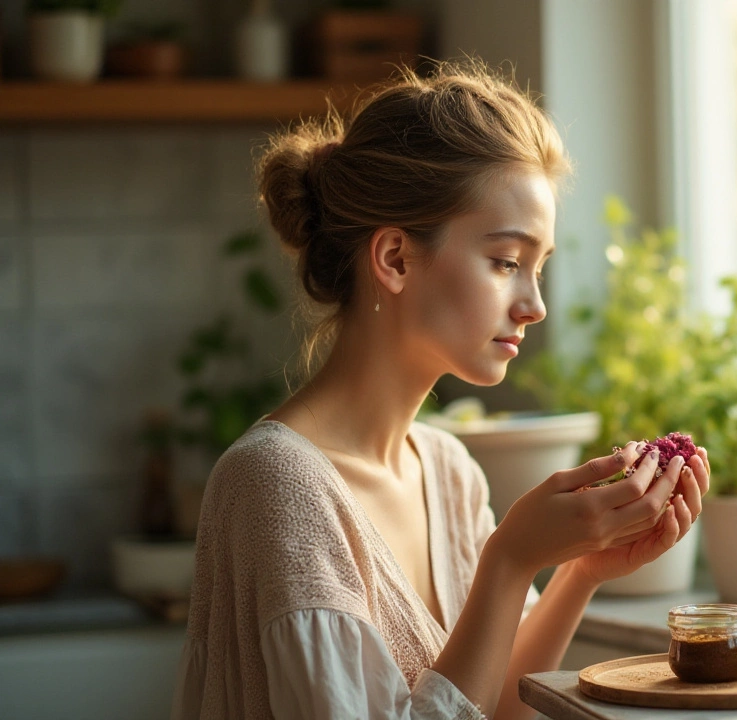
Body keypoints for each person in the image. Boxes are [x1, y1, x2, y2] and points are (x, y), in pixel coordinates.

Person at [172, 61, 710, 720]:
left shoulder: (450, 471)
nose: (534, 305)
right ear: (395, 258)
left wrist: (581, 571)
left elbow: (499, 707)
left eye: (537, 268)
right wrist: (509, 561)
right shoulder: (274, 485)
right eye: (507, 262)